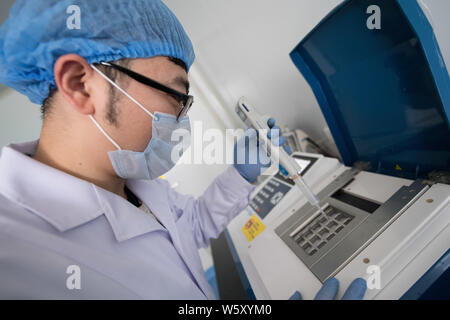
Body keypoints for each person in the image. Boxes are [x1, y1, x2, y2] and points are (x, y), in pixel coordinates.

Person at [0, 0, 366, 299]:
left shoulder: (127, 177)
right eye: (177, 95)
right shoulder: (16, 262)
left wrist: (241, 174)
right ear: (81, 84)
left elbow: (186, 230)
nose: (182, 120)